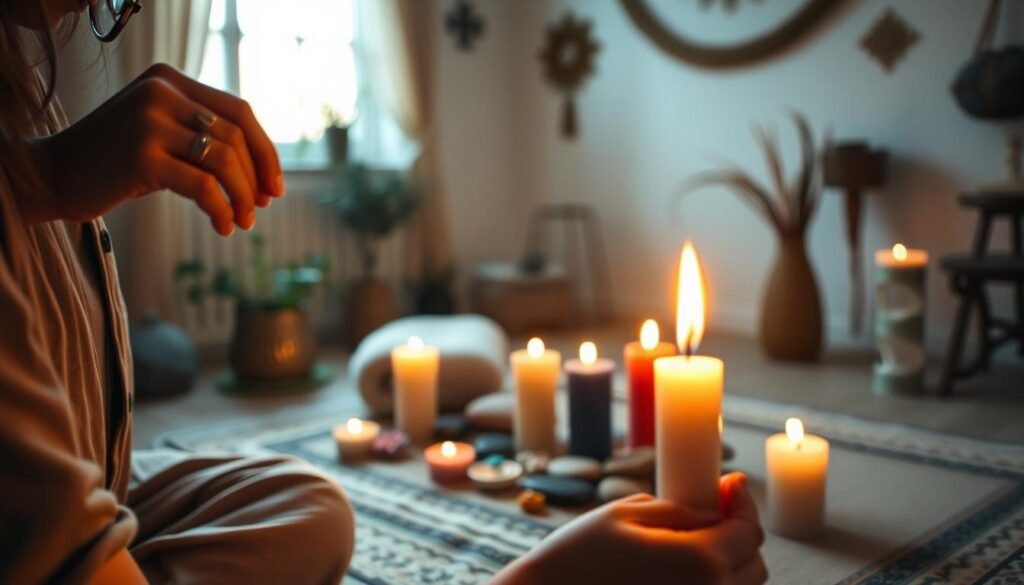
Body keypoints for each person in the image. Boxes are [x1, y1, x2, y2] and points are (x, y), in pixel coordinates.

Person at [0, 1, 766, 583]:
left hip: (109, 468)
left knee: (311, 505)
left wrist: (41, 179)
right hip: (58, 510)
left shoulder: (24, 83)